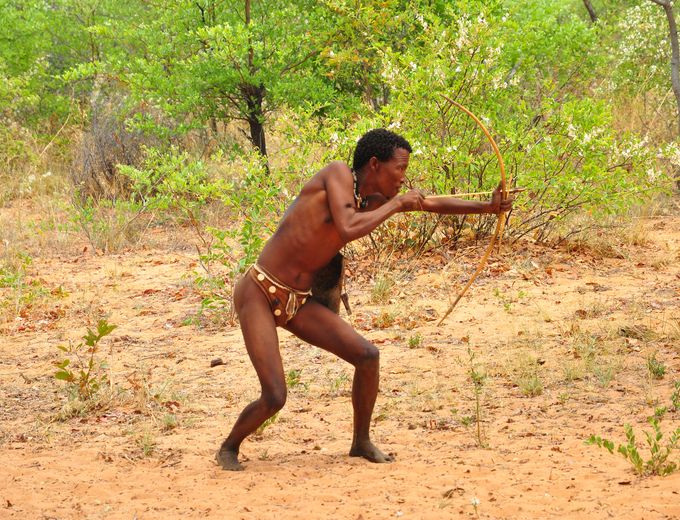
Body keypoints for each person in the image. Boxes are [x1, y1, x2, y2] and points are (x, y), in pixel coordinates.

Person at [216, 128, 513, 470]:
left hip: (296, 301)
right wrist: (398, 204)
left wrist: (487, 208)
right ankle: (229, 447)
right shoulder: (336, 173)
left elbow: (428, 204)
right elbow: (347, 226)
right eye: (399, 169)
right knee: (274, 396)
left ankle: (361, 441)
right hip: (260, 291)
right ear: (374, 164)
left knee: (367, 356)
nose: (403, 178)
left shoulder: (371, 201)